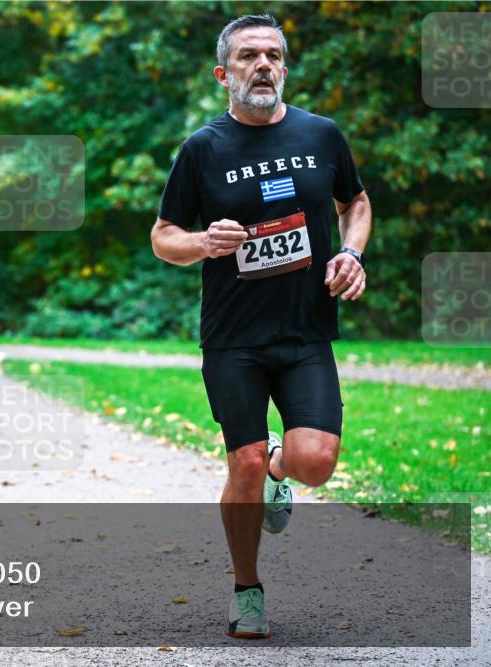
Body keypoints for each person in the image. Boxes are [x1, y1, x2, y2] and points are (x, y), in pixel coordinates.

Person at [150, 14, 371, 639]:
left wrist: (351, 252)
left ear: (285, 68)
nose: (263, 65)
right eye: (248, 56)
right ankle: (247, 588)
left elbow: (355, 201)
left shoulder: (321, 134)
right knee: (241, 463)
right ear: (224, 74)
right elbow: (163, 236)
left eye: (273, 54)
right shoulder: (203, 148)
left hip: (305, 332)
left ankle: (281, 471)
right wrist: (202, 241)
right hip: (233, 338)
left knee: (315, 462)